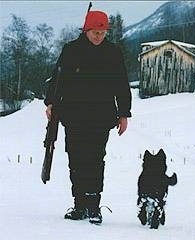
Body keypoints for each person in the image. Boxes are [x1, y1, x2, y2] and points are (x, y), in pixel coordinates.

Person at [44, 10, 132, 224]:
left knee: (94, 159)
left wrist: (123, 113)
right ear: (86, 30)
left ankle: (93, 206)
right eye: (95, 32)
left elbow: (122, 84)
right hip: (73, 115)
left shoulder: (113, 52)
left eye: (102, 33)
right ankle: (79, 204)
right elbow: (57, 79)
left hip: (101, 117)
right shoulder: (71, 50)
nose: (99, 36)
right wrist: (50, 102)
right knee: (76, 158)